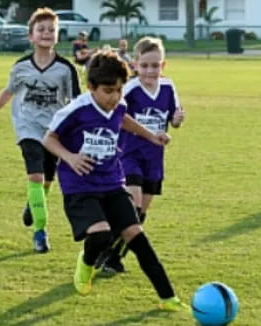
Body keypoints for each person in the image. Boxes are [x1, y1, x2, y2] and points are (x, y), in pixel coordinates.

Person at [43, 50, 186, 311]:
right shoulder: (76, 110)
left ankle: (169, 299)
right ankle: (86, 265)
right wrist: (71, 157)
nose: (115, 97)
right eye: (108, 91)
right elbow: (49, 139)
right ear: (91, 87)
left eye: (119, 90)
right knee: (100, 234)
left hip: (111, 182)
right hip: (80, 185)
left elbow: (124, 120)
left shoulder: (118, 105)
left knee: (138, 238)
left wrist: (152, 136)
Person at [0, 8, 80, 253]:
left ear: (57, 35)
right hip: (27, 127)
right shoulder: (20, 67)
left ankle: (33, 205)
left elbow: (75, 103)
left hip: (54, 132)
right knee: (36, 175)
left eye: (51, 30)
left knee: (47, 181)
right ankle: (40, 233)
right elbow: (7, 92)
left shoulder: (66, 69)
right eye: (41, 30)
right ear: (31, 36)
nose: (46, 34)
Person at [100, 37, 185, 274]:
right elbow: (116, 115)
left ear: (163, 65)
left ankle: (113, 254)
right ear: (135, 65)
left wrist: (176, 121)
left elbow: (173, 118)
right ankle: (107, 253)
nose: (150, 70)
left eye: (155, 65)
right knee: (133, 203)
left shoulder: (168, 87)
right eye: (145, 65)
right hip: (129, 154)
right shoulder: (131, 89)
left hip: (154, 158)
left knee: (142, 210)